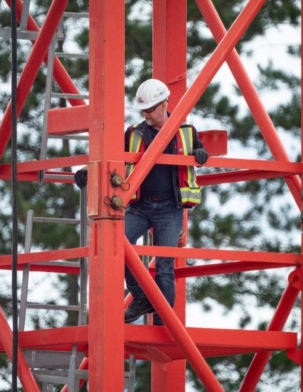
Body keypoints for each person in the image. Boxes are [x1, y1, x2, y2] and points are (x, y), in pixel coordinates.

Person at [74, 78, 208, 325]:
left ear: (164, 104)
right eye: (143, 110)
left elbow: (199, 150)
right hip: (140, 205)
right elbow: (113, 155)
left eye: (149, 109)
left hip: (170, 208)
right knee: (116, 243)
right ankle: (141, 297)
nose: (146, 114)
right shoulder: (135, 132)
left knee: (165, 266)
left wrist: (201, 154)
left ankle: (163, 322)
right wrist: (88, 172)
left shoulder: (187, 132)